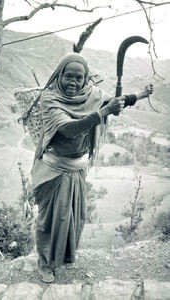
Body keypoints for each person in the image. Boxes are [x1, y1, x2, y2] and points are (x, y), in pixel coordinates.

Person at [31, 52, 153, 283]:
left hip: (77, 169)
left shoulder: (92, 94)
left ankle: (60, 258)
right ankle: (44, 261)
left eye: (79, 77)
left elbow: (113, 103)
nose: (73, 82)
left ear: (85, 78)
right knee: (48, 220)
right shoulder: (50, 98)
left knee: (72, 219)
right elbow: (67, 129)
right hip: (53, 170)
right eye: (69, 76)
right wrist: (102, 113)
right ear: (59, 75)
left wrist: (140, 95)